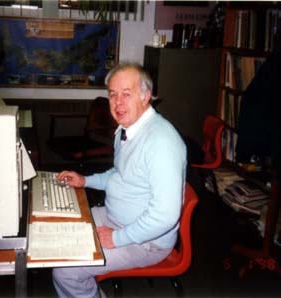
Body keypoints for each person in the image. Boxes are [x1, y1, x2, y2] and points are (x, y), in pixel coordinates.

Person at [52, 62, 187, 298]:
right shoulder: (127, 129)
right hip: (116, 218)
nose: (117, 103)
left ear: (145, 97)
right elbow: (119, 175)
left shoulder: (162, 142)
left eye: (126, 94)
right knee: (62, 226)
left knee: (65, 270)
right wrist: (85, 180)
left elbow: (165, 216)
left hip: (146, 241)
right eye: (113, 95)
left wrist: (117, 238)